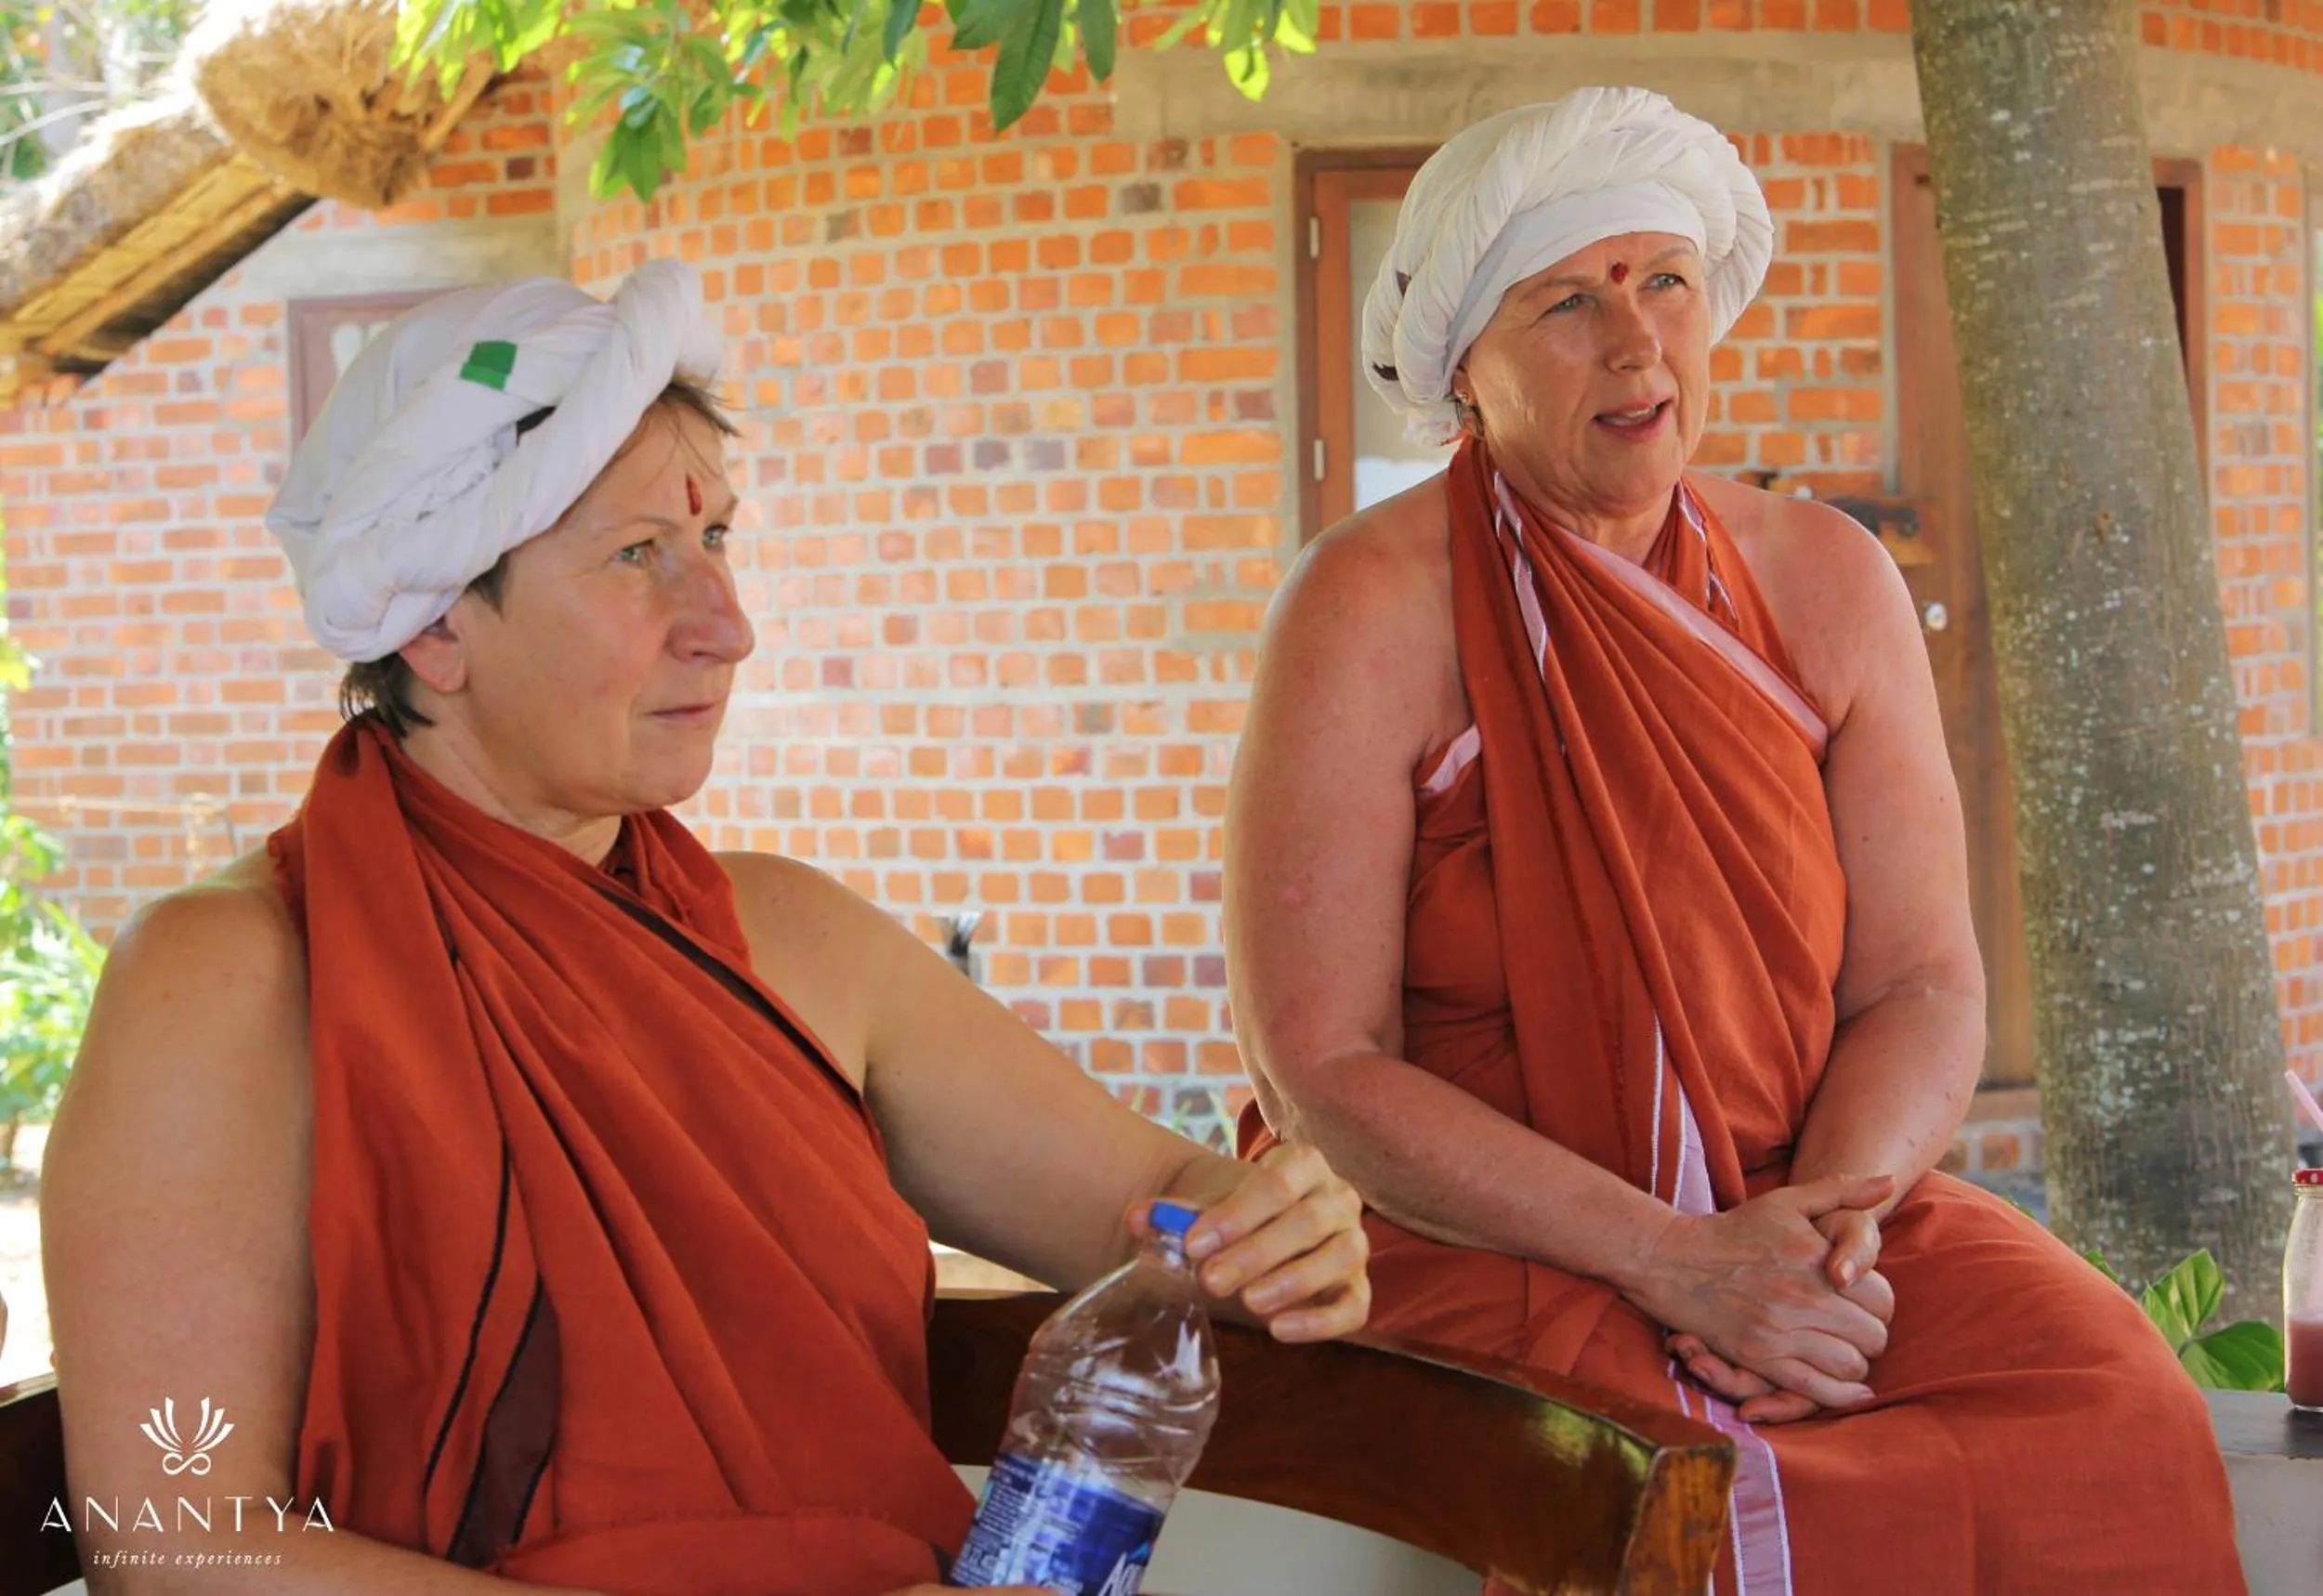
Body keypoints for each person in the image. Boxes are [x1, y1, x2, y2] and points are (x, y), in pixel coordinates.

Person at [40, 260, 1371, 1596]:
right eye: (639, 557)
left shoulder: (794, 939)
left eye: (717, 541)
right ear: (436, 623)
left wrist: (1274, 1227)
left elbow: (1156, 1206)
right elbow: (175, 1546)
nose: (727, 628)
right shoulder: (230, 978)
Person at [1225, 88, 2243, 1593]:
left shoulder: (1828, 579)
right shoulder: (1367, 605)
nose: (1637, 345)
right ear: (1465, 372)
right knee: (1703, 1497)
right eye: (1569, 301)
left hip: (1809, 1190)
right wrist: (1669, 1257)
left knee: (2108, 1406)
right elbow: (1319, 1062)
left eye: (1667, 284)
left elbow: (1919, 985)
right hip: (1480, 1220)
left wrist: (1813, 1245)